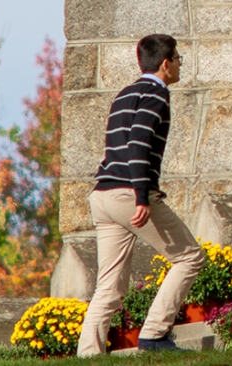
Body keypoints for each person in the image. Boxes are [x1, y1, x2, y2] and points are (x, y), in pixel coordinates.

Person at [76, 34, 198, 356]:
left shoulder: (124, 94)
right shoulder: (156, 93)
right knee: (189, 257)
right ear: (165, 63)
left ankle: (88, 354)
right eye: (178, 58)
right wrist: (142, 196)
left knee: (110, 286)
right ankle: (155, 335)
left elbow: (118, 144)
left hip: (102, 196)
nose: (180, 63)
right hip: (129, 193)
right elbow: (139, 143)